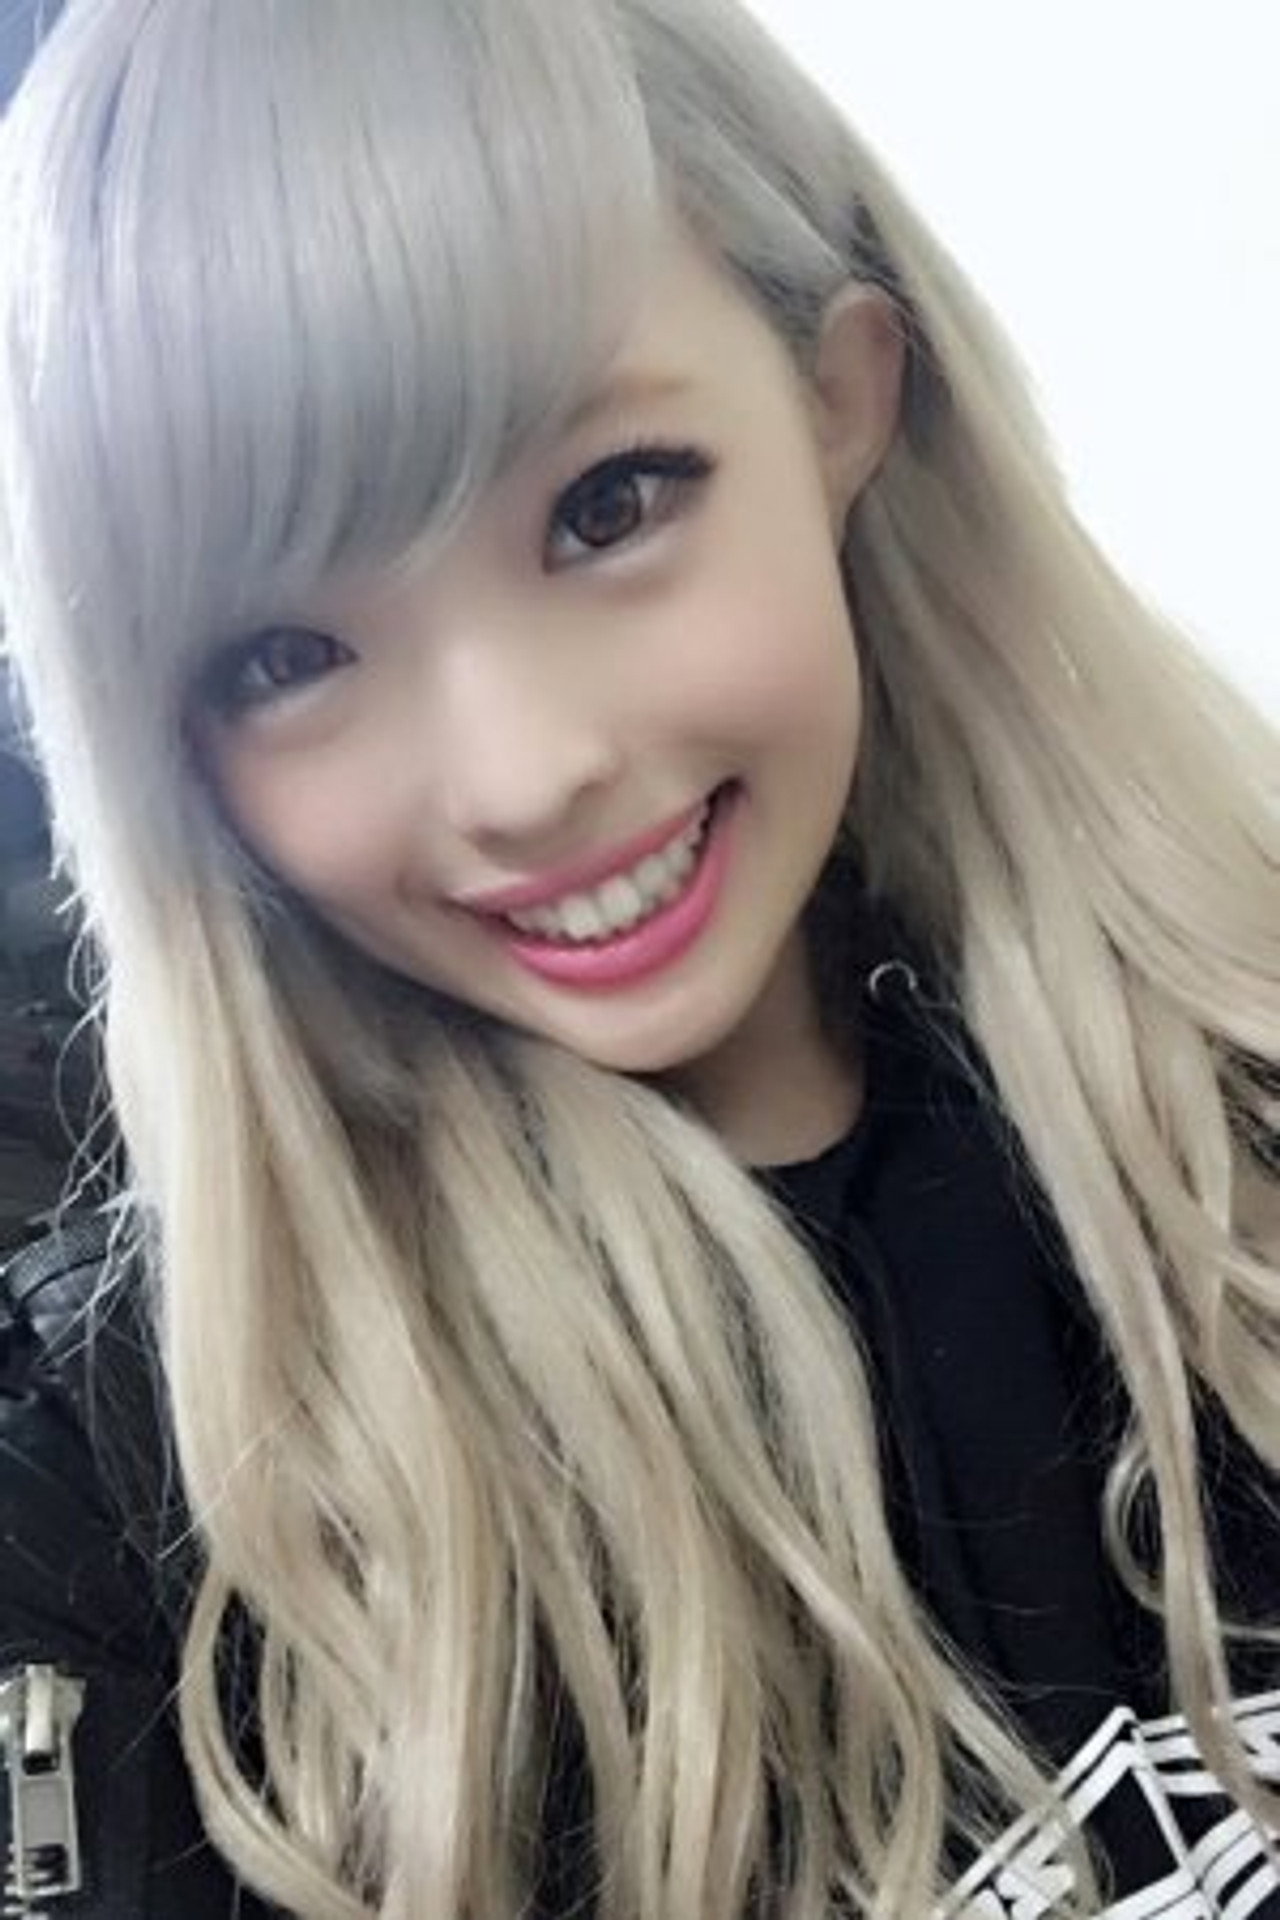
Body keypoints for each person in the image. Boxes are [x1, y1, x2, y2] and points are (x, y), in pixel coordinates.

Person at [0, 0, 1277, 1913]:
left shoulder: (1237, 1067)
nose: (523, 776)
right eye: (284, 656)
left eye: (610, 507)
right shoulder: (136, 1511)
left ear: (844, 398)